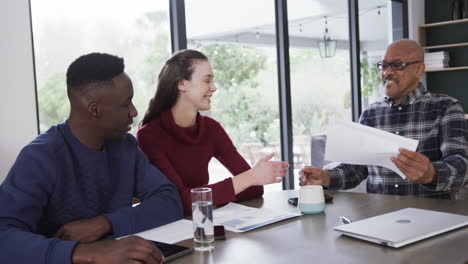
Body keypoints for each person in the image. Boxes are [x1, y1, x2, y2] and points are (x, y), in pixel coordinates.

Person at [0, 53, 184, 264]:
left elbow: (169, 200)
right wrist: (88, 253)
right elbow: (3, 237)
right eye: (126, 104)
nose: (134, 112)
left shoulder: (125, 146)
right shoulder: (40, 157)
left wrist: (104, 223)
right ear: (94, 108)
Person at [300, 39, 468, 199]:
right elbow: (356, 170)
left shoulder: (445, 107)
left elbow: (461, 165)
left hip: (431, 218)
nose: (387, 72)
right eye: (384, 66)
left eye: (397, 65)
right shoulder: (370, 114)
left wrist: (432, 173)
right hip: (378, 217)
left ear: (418, 69)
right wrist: (324, 177)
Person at [137, 49, 289, 215]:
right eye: (207, 81)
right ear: (181, 84)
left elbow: (253, 189)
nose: (214, 88)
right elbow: (180, 202)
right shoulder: (149, 136)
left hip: (202, 224)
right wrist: (250, 177)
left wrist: (211, 197)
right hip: (167, 230)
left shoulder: (211, 129)